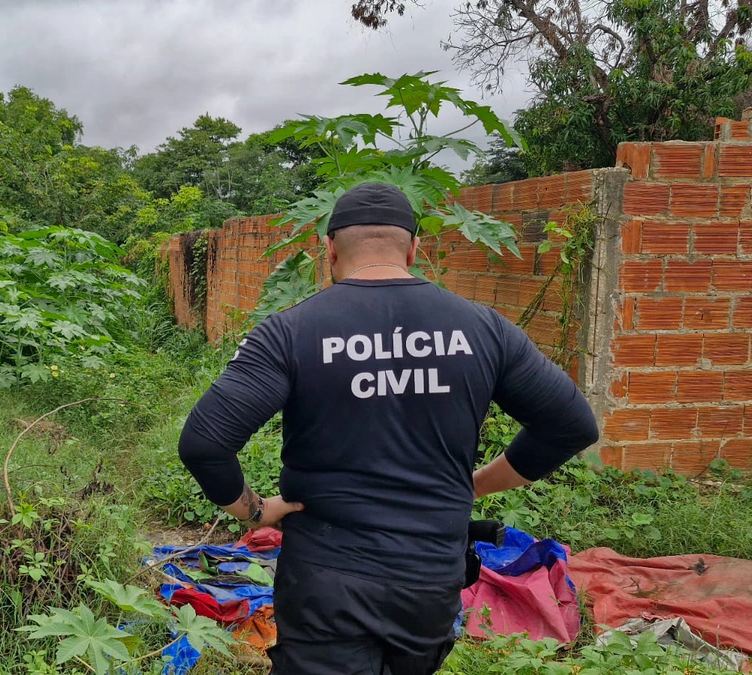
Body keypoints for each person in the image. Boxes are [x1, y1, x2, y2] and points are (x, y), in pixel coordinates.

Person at [176, 182, 599, 675]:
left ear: (329, 248)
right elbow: (570, 425)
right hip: (429, 580)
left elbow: (205, 444)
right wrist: (471, 486)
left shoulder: (291, 331)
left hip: (325, 582)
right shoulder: (484, 329)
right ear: (414, 248)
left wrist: (255, 512)